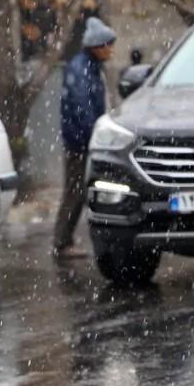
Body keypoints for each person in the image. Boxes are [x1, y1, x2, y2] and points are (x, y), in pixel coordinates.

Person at [55, 16, 116, 259]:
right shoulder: (81, 69)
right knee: (75, 192)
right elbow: (82, 108)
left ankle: (65, 240)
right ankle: (62, 242)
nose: (111, 50)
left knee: (79, 190)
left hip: (83, 140)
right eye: (108, 45)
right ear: (97, 46)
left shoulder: (88, 67)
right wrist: (94, 136)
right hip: (81, 142)